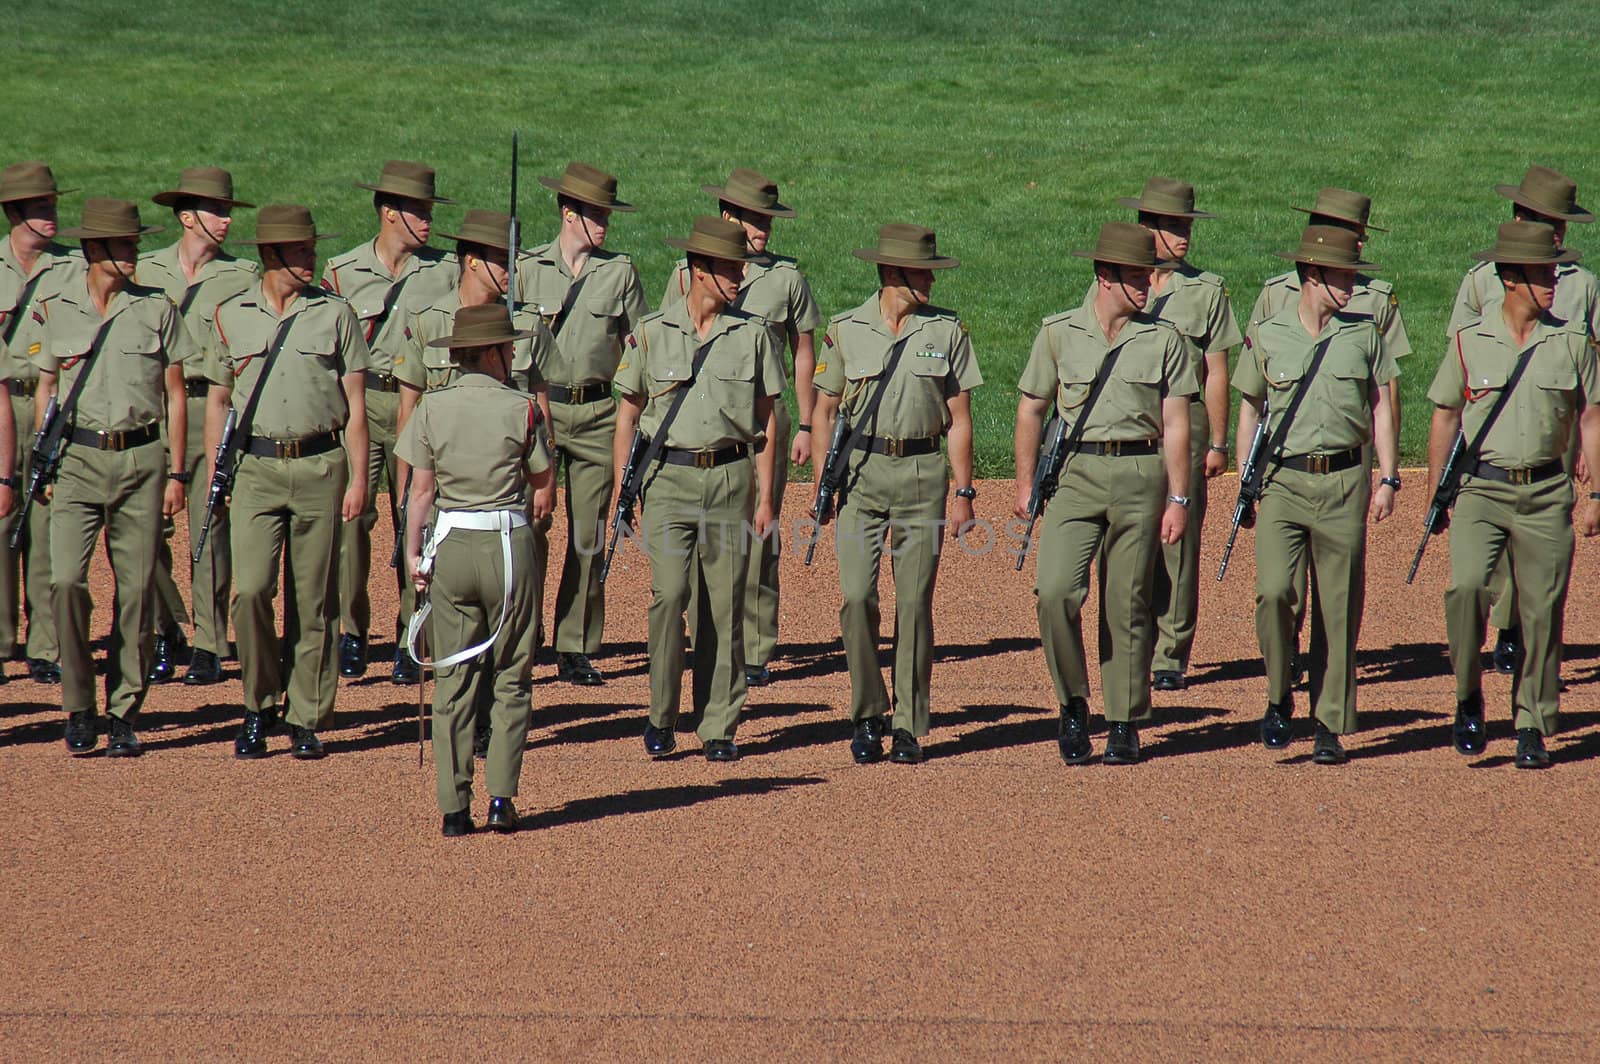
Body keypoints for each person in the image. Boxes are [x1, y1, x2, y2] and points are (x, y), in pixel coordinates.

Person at [1013, 222, 1194, 766]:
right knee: (1055, 594)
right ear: (1104, 275)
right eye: (1137, 276)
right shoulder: (1059, 332)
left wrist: (1179, 498)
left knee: (1128, 603)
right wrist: (1025, 484)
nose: (1148, 285)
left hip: (1141, 474)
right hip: (1074, 475)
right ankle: (1073, 704)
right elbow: (1030, 408)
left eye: (1151, 274)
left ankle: (1123, 719)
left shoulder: (1165, 339)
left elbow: (1178, 424)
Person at [20, 199, 192, 756]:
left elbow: (174, 394)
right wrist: (40, 463)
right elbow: (46, 388)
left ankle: (123, 709)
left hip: (143, 462)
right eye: (123, 245)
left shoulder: (156, 309)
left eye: (135, 243)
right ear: (94, 251)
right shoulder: (58, 308)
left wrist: (177, 471)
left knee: (138, 590)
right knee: (66, 582)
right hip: (75, 463)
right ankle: (78, 705)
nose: (133, 252)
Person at [1427, 220, 1600, 769]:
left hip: (1548, 493)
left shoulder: (1572, 341)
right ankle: (1467, 694)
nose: (1555, 280)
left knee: (1542, 609)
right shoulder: (1469, 339)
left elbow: (1592, 417)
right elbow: (1445, 413)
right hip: (1482, 489)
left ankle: (1530, 720)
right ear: (1510, 279)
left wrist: (1598, 493)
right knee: (1467, 590)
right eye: (1543, 273)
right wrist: (1437, 493)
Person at [385, 208, 556, 759]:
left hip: (505, 497)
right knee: (453, 617)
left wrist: (543, 492)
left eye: (514, 258)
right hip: (442, 496)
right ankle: (454, 709)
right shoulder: (430, 319)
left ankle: (483, 723)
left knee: (501, 618)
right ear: (470, 260)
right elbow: (409, 414)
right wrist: (405, 499)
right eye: (500, 260)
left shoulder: (524, 325)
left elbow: (541, 410)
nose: (511, 270)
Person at [611, 216, 782, 762]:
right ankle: (661, 714)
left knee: (724, 606)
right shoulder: (652, 331)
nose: (739, 277)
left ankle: (718, 724)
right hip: (667, 482)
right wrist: (623, 487)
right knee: (669, 599)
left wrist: (766, 495)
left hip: (730, 479)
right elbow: (628, 413)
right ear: (699, 271)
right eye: (730, 269)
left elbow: (767, 418)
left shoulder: (752, 335)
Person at [811, 223, 981, 764]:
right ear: (890, 274)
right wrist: (824, 482)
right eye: (920, 273)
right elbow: (825, 411)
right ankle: (867, 712)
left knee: (914, 603)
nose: (930, 280)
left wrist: (963, 492)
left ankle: (908, 722)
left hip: (923, 477)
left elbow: (959, 419)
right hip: (860, 478)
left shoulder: (948, 331)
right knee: (857, 598)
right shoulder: (845, 329)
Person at [207, 204, 370, 760]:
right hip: (254, 471)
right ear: (271, 256)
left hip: (322, 466)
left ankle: (306, 714)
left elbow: (356, 405)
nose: (312, 257)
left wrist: (358, 480)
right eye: (301, 250)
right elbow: (219, 400)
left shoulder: (336, 314)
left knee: (315, 599)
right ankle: (258, 703)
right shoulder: (232, 315)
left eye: (311, 247)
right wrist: (215, 475)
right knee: (250, 590)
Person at [1233, 225, 1400, 764]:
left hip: (1345, 482)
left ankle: (1328, 719)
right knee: (1274, 594)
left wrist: (1389, 475)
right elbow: (1251, 409)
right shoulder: (1269, 331)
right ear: (1312, 276)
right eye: (1343, 276)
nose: (1353, 285)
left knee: (1338, 604)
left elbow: (1380, 406)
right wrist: (1245, 478)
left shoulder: (1364, 333)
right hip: (1283, 482)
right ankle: (1279, 692)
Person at [661, 168, 822, 686]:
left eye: (768, 220)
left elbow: (802, 350)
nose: (763, 229)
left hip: (761, 415)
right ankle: (698, 639)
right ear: (727, 216)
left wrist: (803, 424)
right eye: (754, 218)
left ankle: (756, 646)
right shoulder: (688, 274)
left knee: (760, 528)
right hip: (700, 415)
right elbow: (669, 342)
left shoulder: (786, 279)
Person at [1246, 188, 1412, 686]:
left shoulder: (1375, 302)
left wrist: (1387, 472)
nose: (1352, 244)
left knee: (1338, 590)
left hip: (1348, 453)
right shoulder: (1278, 293)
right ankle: (1286, 664)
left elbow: (1387, 392)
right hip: (1286, 457)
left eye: (1357, 234)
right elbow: (1254, 391)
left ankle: (1328, 693)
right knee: (1280, 585)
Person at [399, 304, 551, 837]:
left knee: (452, 678)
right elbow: (542, 476)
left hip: (451, 547)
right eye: (507, 349)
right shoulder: (522, 406)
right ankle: (500, 800)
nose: (512, 356)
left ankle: (453, 808)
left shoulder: (432, 408)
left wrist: (414, 557)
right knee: (511, 676)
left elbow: (419, 492)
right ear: (489, 353)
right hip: (507, 547)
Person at [1445, 166, 1598, 676]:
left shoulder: (1582, 285)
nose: (1556, 234)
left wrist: (1578, 446)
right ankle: (1503, 629)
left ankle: (1512, 632)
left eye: (1562, 225)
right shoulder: (1480, 280)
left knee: (1535, 556)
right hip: (1491, 433)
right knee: (1487, 553)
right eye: (1546, 221)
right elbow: (1461, 364)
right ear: (1519, 216)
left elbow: (1586, 378)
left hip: (1551, 426)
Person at [1096, 178, 1240, 692]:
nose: (1184, 236)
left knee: (1178, 538)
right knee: (1125, 532)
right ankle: (1128, 637)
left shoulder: (1205, 291)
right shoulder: (1113, 281)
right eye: (1174, 226)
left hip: (1188, 420)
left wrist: (1219, 442)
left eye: (1187, 226)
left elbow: (1218, 369)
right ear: (1145, 227)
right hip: (1130, 420)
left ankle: (1170, 652)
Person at [323, 161, 455, 684]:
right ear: (388, 212)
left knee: (413, 521)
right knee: (352, 521)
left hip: (418, 408)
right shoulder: (341, 270)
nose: (427, 220)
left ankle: (411, 633)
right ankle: (353, 632)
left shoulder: (445, 270)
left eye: (429, 209)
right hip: (360, 405)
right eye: (418, 210)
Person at [517, 162, 648, 687]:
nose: (605, 225)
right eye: (596, 214)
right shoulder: (526, 269)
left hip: (597, 414)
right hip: (540, 412)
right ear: (569, 214)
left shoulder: (620, 272)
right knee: (531, 525)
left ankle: (574, 644)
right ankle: (521, 635)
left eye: (608, 215)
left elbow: (641, 341)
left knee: (588, 534)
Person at [140, 167, 258, 686]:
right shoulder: (145, 271)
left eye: (230, 210)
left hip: (212, 405)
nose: (227, 219)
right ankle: (167, 626)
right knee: (142, 529)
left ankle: (210, 642)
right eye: (217, 211)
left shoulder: (245, 275)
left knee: (210, 524)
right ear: (187, 217)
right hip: (156, 411)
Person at [0, 161, 82, 685]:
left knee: (51, 523)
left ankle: (46, 644)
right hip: (3, 404)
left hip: (53, 404)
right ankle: (3, 638)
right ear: (14, 213)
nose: (51, 214)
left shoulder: (74, 267)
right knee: (2, 517)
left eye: (53, 205)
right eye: (39, 208)